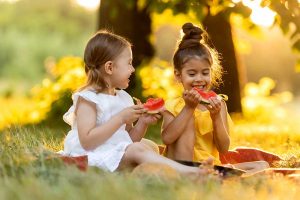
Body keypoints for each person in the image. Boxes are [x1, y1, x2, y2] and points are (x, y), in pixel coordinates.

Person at [61, 30, 211, 178]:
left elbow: (128, 140)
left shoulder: (123, 97)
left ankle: (156, 171)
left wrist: (142, 123)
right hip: (92, 157)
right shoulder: (88, 99)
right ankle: (190, 172)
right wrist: (120, 118)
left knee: (148, 146)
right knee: (139, 149)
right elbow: (87, 142)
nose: (133, 69)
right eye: (129, 63)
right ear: (110, 67)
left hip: (113, 154)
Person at [161, 23, 269, 174]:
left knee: (262, 165)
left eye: (205, 73)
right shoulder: (172, 106)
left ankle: (218, 175)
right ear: (178, 75)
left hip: (209, 166)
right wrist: (188, 108)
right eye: (192, 74)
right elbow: (166, 138)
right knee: (188, 120)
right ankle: (198, 176)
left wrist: (216, 116)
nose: (199, 79)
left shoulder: (218, 104)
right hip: (181, 166)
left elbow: (224, 149)